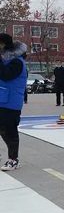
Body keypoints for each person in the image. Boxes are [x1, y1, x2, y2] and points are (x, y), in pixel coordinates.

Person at [0, 33, 27, 171]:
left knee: (10, 131)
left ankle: (13, 159)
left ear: (3, 44)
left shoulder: (17, 61)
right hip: (2, 100)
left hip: (11, 103)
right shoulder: (5, 60)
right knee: (3, 130)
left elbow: (6, 75)